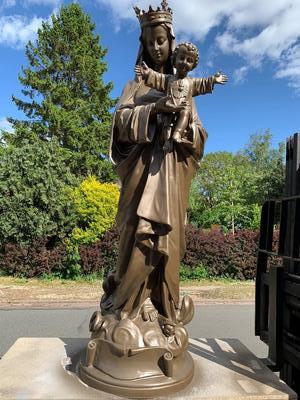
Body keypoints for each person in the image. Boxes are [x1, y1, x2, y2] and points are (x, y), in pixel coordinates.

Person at [101, 1, 217, 324]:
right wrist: (154, 111)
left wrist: (188, 132)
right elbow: (120, 124)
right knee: (136, 237)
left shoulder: (185, 89)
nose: (155, 47)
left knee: (166, 244)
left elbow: (199, 136)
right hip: (139, 181)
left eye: (161, 40)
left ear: (172, 42)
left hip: (168, 179)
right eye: (149, 41)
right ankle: (124, 306)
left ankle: (163, 307)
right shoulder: (134, 87)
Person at [135, 42, 228, 150]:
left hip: (183, 108)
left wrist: (213, 80)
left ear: (193, 66)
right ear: (174, 60)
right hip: (169, 106)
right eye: (182, 58)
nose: (184, 62)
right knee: (166, 123)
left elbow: (204, 82)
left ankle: (177, 133)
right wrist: (148, 73)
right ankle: (167, 141)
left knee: (186, 112)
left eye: (189, 60)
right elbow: (157, 77)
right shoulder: (168, 79)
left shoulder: (192, 82)